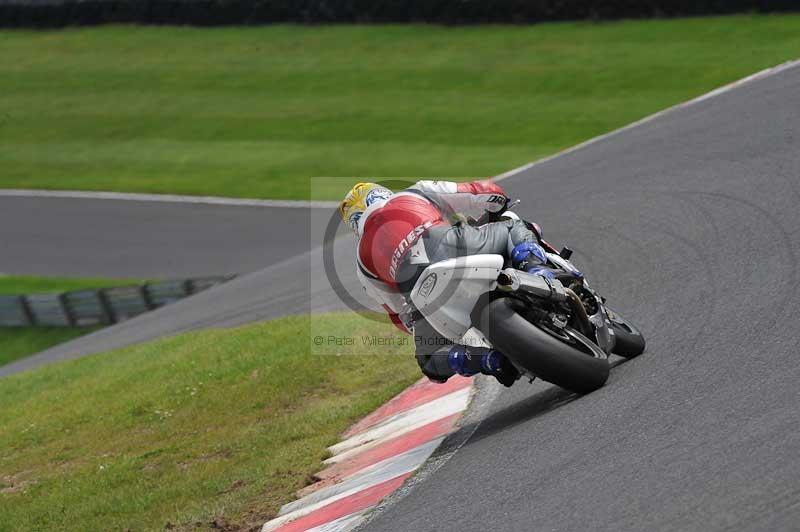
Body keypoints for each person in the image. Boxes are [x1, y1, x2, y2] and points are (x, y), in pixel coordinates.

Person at [339, 180, 553, 386]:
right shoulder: (414, 192)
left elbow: (399, 317)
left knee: (429, 361)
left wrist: (427, 319)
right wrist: (499, 202)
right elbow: (480, 191)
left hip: (420, 290)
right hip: (449, 245)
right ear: (382, 193)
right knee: (513, 226)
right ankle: (536, 270)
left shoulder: (362, 265)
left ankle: (485, 360)